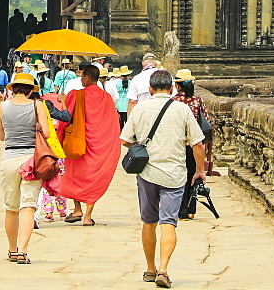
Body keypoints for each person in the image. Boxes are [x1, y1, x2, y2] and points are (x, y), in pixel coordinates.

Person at [121, 69, 206, 289]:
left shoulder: (140, 109)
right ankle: (164, 270)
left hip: (147, 172)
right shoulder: (182, 109)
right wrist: (199, 170)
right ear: (171, 89)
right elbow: (197, 143)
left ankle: (150, 268)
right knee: (168, 222)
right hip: (175, 174)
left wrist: (141, 147)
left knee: (149, 221)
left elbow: (124, 140)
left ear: (150, 90)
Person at [0, 71, 50, 264]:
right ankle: (23, 251)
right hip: (31, 159)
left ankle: (11, 250)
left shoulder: (2, 106)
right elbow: (47, 134)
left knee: (11, 207)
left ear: (14, 89)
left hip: (9, 157)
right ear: (29, 91)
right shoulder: (38, 106)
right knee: (28, 206)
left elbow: (1, 136)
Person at [59, 63, 120, 226]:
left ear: (86, 77)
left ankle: (77, 208)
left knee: (74, 175)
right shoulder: (106, 97)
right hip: (100, 143)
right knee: (94, 177)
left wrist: (63, 102)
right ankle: (87, 215)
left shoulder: (76, 94)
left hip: (78, 141)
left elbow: (65, 117)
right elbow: (113, 122)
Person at [173, 68, 212, 219]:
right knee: (193, 176)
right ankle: (190, 210)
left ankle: (180, 210)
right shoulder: (197, 101)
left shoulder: (173, 102)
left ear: (177, 85)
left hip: (178, 145)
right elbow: (207, 121)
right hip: (195, 144)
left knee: (179, 178)